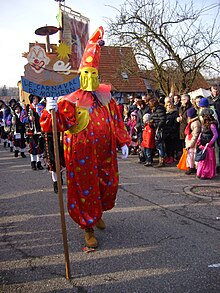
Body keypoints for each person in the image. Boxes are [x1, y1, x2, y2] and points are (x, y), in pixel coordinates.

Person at [40, 26, 130, 248]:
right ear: (79, 75)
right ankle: (87, 226)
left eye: (93, 73)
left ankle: (97, 212)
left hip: (105, 154)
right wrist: (50, 109)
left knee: (107, 185)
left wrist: (123, 141)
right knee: (85, 189)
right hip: (81, 156)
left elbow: (116, 121)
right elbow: (54, 125)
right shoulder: (70, 100)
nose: (90, 78)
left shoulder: (105, 98)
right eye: (86, 74)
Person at [21, 95, 45, 170]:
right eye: (34, 98)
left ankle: (39, 163)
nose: (35, 100)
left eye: (37, 98)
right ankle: (33, 163)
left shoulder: (42, 108)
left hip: (40, 130)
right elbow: (22, 119)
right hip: (31, 131)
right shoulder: (27, 109)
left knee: (40, 148)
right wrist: (28, 118)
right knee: (33, 148)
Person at [196, 108, 218, 179]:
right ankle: (201, 172)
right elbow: (201, 133)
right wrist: (199, 139)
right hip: (203, 143)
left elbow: (215, 135)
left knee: (208, 160)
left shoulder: (212, 125)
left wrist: (210, 143)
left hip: (208, 145)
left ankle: (207, 173)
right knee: (202, 159)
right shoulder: (203, 124)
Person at [148, 97, 166, 167]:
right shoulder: (155, 110)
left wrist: (154, 124)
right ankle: (160, 159)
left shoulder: (159, 110)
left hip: (159, 130)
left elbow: (162, 120)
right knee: (158, 145)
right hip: (156, 129)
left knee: (160, 145)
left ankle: (162, 161)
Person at [184, 107, 201, 175]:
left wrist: (190, 144)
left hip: (193, 142)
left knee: (192, 155)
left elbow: (195, 135)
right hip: (190, 141)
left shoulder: (195, 123)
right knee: (190, 155)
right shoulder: (191, 122)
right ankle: (191, 167)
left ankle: (192, 167)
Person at [164, 99, 179, 164]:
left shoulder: (175, 112)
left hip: (172, 131)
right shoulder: (165, 113)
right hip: (166, 131)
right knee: (167, 145)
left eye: (170, 105)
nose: (169, 106)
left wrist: (172, 129)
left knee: (172, 146)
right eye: (167, 105)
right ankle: (168, 157)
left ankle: (172, 157)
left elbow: (175, 123)